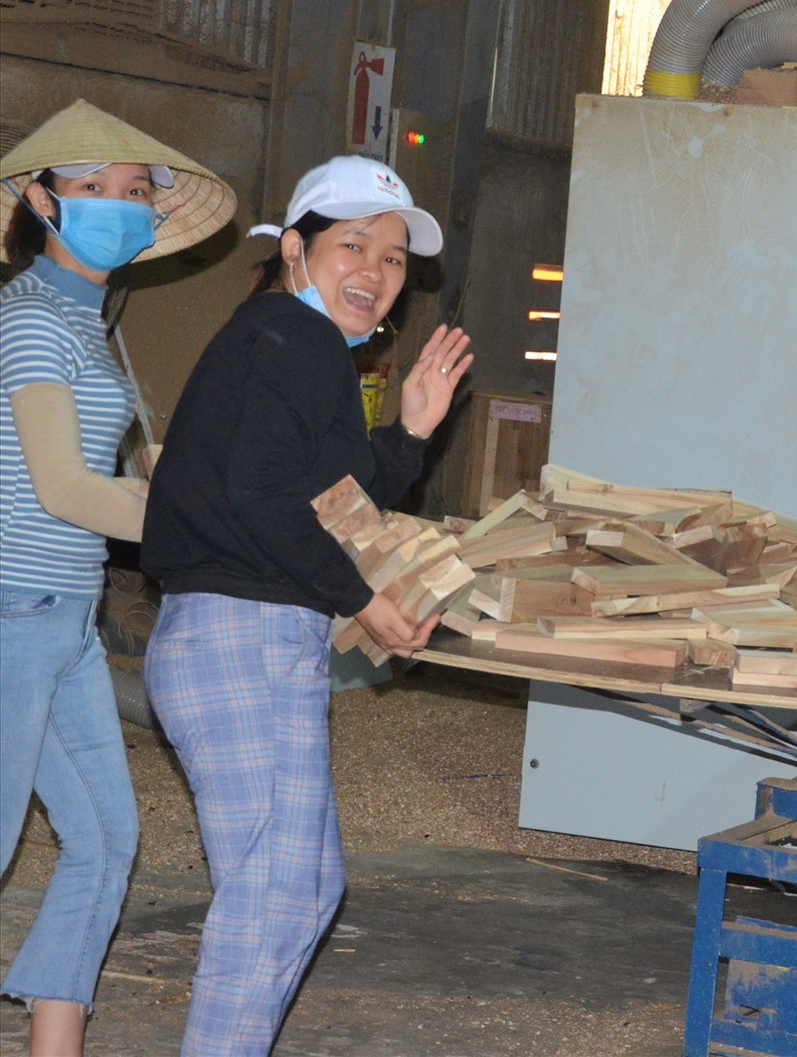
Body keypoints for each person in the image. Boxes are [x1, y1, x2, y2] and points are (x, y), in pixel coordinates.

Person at [139, 155, 473, 1055]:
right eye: (353, 244)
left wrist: (408, 429)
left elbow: (337, 502)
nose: (376, 271)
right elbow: (261, 499)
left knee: (308, 883)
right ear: (294, 248)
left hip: (246, 638)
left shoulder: (285, 343)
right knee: (276, 891)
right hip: (238, 636)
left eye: (397, 257)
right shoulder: (294, 337)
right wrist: (366, 600)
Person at [1, 101, 235, 1054]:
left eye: (135, 192)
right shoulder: (25, 321)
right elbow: (60, 488)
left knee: (104, 839)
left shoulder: (92, 329)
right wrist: (207, 520)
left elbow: (132, 475)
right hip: (13, 611)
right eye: (95, 186)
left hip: (66, 624)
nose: (120, 204)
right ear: (38, 199)